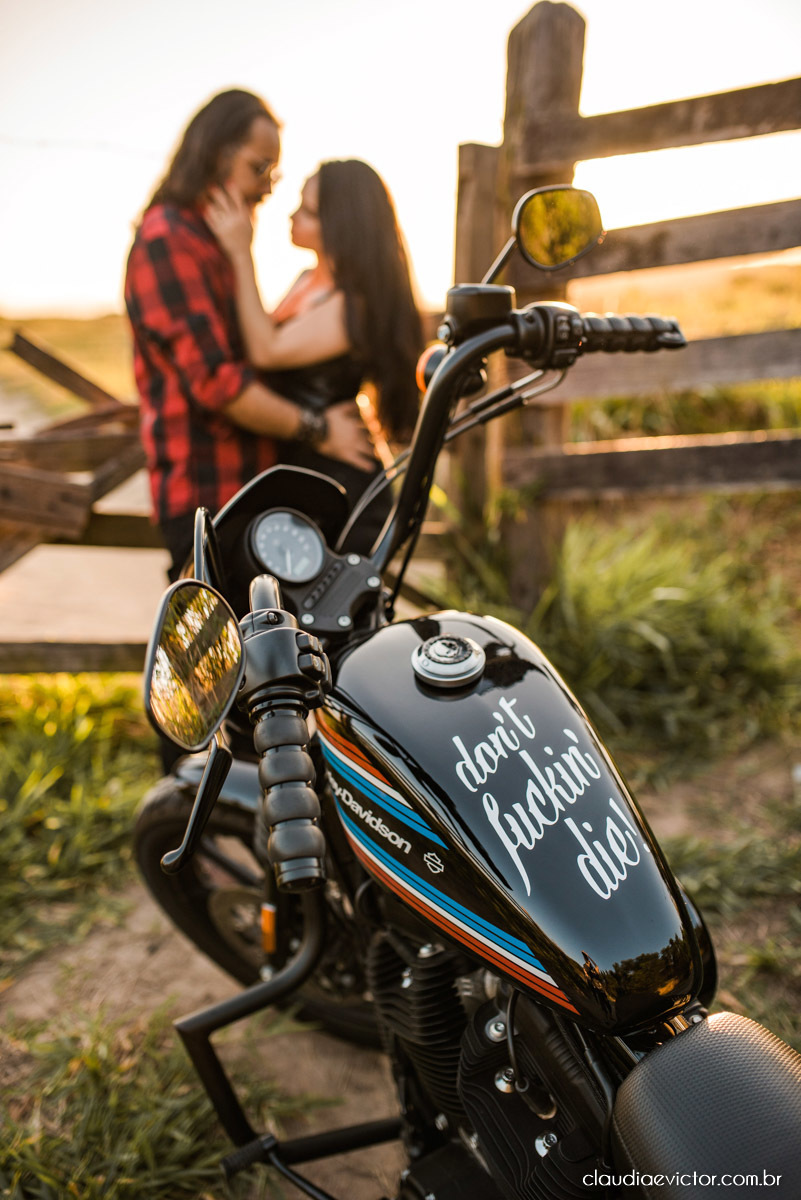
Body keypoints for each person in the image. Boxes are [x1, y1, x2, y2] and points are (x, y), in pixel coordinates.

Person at [124, 89, 374, 581]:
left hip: (249, 492)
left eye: (274, 173)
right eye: (260, 168)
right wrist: (319, 429)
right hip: (209, 498)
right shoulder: (169, 240)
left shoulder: (218, 241)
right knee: (227, 654)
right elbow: (219, 383)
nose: (268, 187)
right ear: (219, 155)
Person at [203, 157, 423, 547]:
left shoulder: (351, 305)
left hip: (341, 491)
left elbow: (266, 351)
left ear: (341, 227)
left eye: (309, 212)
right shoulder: (308, 281)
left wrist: (240, 251)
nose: (293, 216)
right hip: (309, 476)